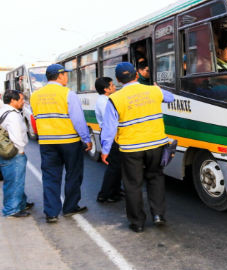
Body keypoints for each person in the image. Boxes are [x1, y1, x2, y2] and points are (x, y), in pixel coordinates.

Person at [100, 62, 174, 233]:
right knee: (155, 177)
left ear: (118, 80)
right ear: (136, 75)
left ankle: (138, 223)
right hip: (156, 144)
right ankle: (158, 215)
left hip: (131, 148)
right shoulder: (153, 91)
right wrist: (157, 88)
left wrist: (105, 150)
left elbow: (110, 129)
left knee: (133, 184)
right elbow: (171, 98)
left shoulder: (115, 99)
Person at [30, 64, 93, 223]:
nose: (67, 77)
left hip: (47, 142)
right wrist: (86, 139)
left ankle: (51, 213)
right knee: (73, 174)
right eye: (65, 74)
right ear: (59, 76)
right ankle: (70, 207)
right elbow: (78, 120)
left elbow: (36, 118)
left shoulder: (35, 95)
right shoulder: (67, 94)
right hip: (69, 141)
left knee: (50, 176)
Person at [0, 90, 34, 217]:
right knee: (14, 181)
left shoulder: (0, 111)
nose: (23, 102)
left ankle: (21, 203)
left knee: (13, 180)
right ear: (13, 101)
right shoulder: (13, 116)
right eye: (21, 100)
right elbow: (16, 137)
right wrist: (20, 151)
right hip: (12, 153)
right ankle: (12, 209)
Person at [94, 77, 123, 203]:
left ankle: (115, 191)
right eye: (112, 85)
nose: (114, 86)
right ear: (106, 89)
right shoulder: (104, 102)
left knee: (118, 165)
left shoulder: (105, 99)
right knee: (114, 166)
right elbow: (110, 124)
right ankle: (104, 194)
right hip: (109, 135)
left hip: (111, 134)